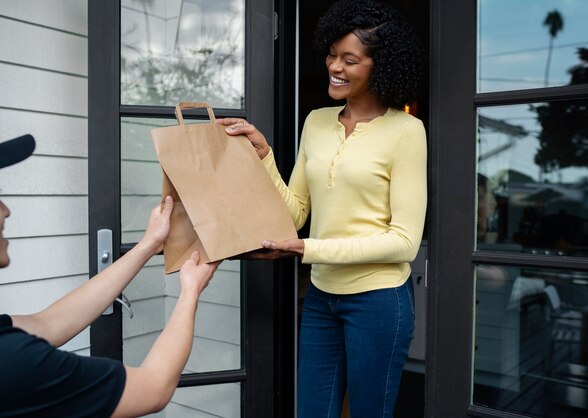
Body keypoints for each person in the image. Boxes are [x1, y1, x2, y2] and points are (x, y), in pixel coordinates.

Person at [218, 1, 427, 416]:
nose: (335, 65)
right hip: (321, 297)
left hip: (379, 300)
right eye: (333, 54)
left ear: (379, 66)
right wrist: (264, 157)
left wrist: (308, 250)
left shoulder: (407, 131)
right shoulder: (316, 121)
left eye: (350, 59)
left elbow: (404, 242)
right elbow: (295, 213)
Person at [0, 134, 220, 417]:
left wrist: (148, 245)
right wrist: (190, 291)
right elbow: (153, 388)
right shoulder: (12, 361)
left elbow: (50, 323)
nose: (6, 210)